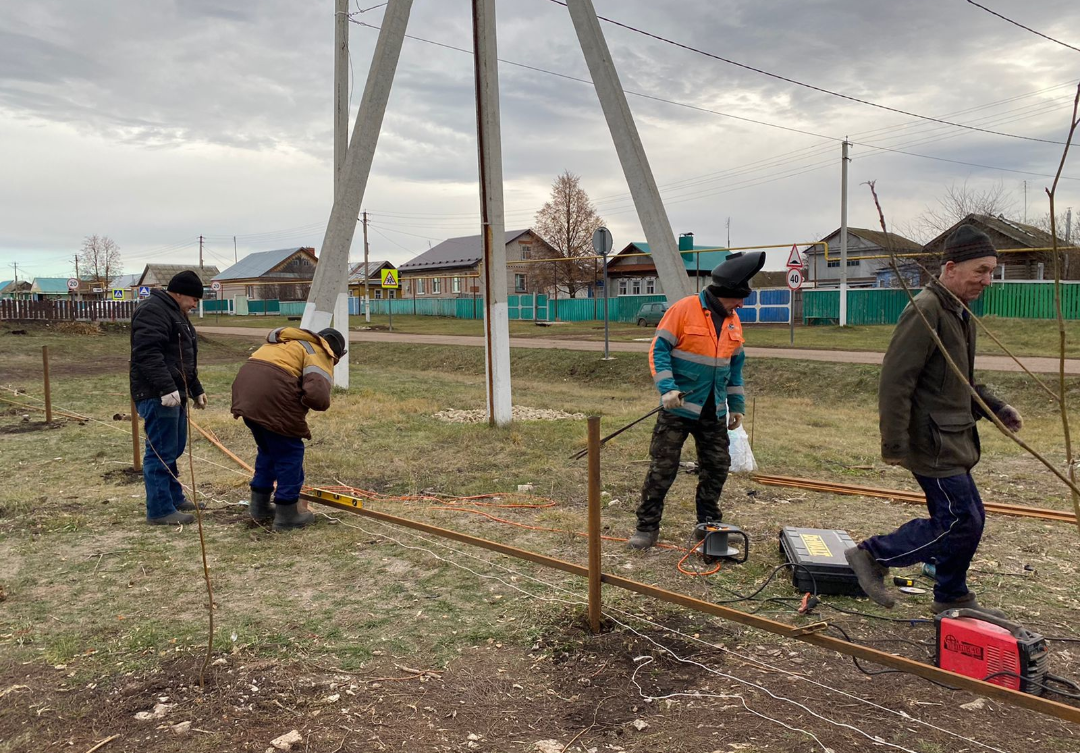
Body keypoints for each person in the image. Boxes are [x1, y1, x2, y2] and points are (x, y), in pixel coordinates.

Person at [845, 224, 1023, 616]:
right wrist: (894, 444)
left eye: (991, 271)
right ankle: (871, 555)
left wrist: (995, 408)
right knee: (958, 520)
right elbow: (895, 382)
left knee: (970, 520)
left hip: (955, 438)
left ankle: (951, 593)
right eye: (980, 270)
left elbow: (960, 379)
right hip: (931, 441)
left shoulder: (958, 312)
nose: (987, 280)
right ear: (951, 267)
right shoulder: (925, 311)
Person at [627, 251, 765, 550]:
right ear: (725, 294)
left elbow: (735, 367)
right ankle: (646, 528)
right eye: (739, 298)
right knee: (663, 469)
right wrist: (667, 389)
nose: (741, 304)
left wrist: (737, 406)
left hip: (713, 410)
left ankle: (709, 526)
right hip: (678, 409)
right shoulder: (684, 309)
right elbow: (658, 350)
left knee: (717, 467)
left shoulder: (732, 321)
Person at [230, 326, 346, 532]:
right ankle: (287, 513)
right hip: (273, 397)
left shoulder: (287, 342)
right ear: (336, 352)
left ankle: (260, 507)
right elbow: (318, 397)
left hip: (245, 396)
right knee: (290, 453)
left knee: (268, 450)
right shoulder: (320, 351)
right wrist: (301, 399)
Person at [129, 270, 208, 525]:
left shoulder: (177, 314)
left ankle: (174, 497)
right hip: (156, 394)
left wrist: (195, 388)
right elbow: (147, 353)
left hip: (175, 392)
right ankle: (160, 509)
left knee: (173, 447)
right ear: (180, 292)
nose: (196, 304)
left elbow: (181, 357)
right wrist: (165, 388)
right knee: (160, 451)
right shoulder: (153, 310)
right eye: (194, 298)